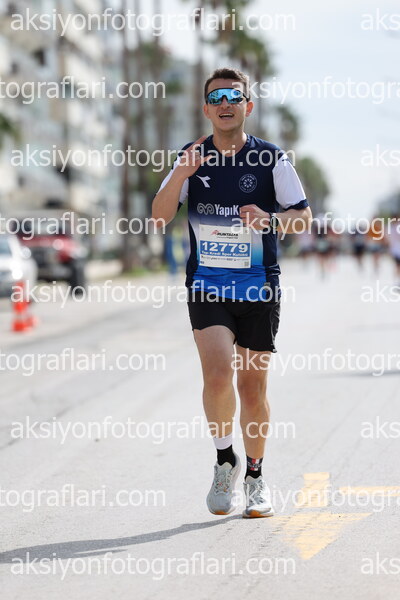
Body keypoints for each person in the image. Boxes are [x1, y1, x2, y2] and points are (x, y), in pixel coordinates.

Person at [152, 67, 312, 518]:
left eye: (234, 96)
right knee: (219, 376)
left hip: (258, 286)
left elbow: (303, 217)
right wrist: (182, 173)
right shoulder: (191, 156)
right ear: (206, 109)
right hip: (207, 285)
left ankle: (255, 476)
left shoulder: (271, 158)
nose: (225, 103)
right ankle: (225, 460)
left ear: (248, 106)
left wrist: (271, 219)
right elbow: (159, 216)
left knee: (252, 386)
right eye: (217, 97)